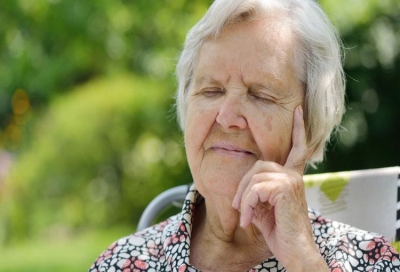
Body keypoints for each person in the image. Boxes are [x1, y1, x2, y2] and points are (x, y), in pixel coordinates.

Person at [89, 0, 400, 271]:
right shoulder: (122, 262)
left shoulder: (370, 261)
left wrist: (305, 261)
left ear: (311, 123)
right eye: (211, 91)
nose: (227, 117)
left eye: (261, 96)